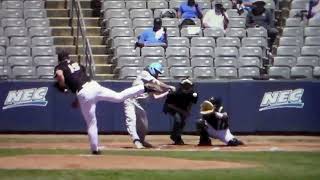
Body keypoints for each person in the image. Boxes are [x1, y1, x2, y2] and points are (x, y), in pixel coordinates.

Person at [54, 50, 162, 154]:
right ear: (68, 57)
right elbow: (79, 78)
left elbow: (59, 74)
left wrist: (64, 87)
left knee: (91, 122)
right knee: (119, 96)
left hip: (83, 92)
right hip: (93, 85)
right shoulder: (76, 63)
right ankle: (144, 88)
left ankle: (94, 149)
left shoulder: (60, 66)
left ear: (59, 59)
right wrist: (77, 99)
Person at [124, 62, 176, 149]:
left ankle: (142, 140)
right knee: (131, 120)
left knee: (144, 125)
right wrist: (168, 86)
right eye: (157, 72)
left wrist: (167, 92)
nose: (157, 74)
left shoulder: (151, 83)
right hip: (130, 100)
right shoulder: (144, 74)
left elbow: (155, 97)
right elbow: (155, 82)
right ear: (152, 69)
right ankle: (136, 141)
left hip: (140, 104)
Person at [163, 78, 198, 145]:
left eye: (188, 85)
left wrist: (187, 112)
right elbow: (170, 105)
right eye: (184, 85)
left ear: (191, 86)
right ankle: (176, 136)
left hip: (183, 108)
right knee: (178, 119)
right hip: (171, 107)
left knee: (183, 121)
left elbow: (190, 103)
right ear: (181, 86)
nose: (186, 87)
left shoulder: (193, 94)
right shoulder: (175, 93)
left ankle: (176, 136)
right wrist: (182, 112)